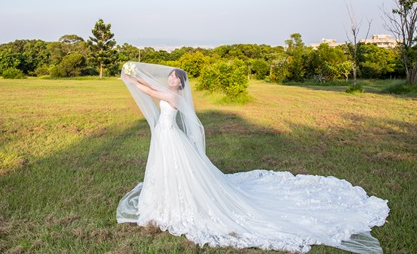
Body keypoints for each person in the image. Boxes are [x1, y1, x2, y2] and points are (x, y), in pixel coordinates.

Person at [117, 62, 389, 253]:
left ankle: (177, 203)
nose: (172, 79)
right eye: (171, 76)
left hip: (169, 136)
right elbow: (151, 89)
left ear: (181, 83)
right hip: (165, 136)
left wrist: (132, 78)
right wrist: (133, 76)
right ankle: (166, 199)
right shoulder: (168, 91)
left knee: (179, 169)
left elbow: (151, 92)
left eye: (176, 77)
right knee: (167, 169)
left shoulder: (173, 96)